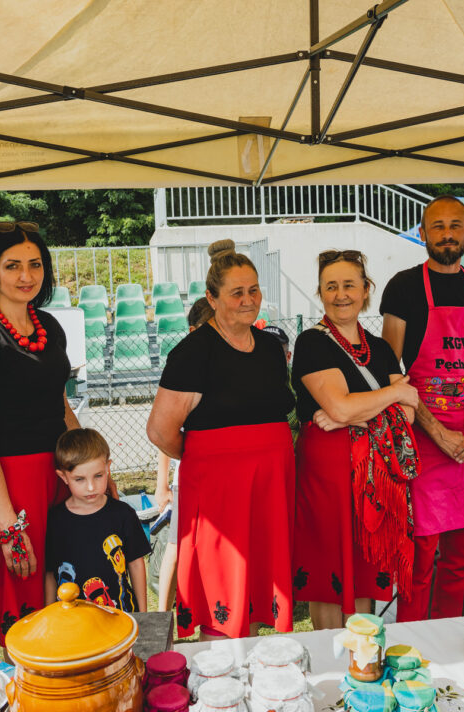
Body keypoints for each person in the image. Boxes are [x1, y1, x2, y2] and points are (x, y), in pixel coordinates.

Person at [147, 239, 296, 639]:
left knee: (259, 585)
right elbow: (159, 430)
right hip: (217, 490)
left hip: (269, 486)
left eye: (254, 290)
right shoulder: (192, 353)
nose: (248, 300)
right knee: (222, 590)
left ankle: (255, 663)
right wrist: (209, 456)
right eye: (236, 293)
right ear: (211, 299)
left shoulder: (270, 347)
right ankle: (219, 672)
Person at [380, 195, 464, 621]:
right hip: (424, 443)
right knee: (418, 564)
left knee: (460, 565)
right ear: (422, 233)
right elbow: (391, 373)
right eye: (437, 226)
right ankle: (409, 646)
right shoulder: (403, 287)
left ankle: (448, 643)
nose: (447, 234)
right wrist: (437, 432)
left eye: (456, 225)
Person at [0, 222, 82, 649]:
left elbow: (61, 406)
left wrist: (90, 465)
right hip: (13, 485)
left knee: (70, 597)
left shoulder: (49, 325)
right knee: (26, 615)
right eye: (13, 266)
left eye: (35, 264)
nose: (26, 276)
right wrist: (9, 526)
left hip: (60, 474)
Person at [291, 249, 420, 629]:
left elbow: (409, 414)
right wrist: (390, 395)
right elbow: (342, 407)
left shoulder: (379, 348)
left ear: (366, 290)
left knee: (366, 566)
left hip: (374, 474)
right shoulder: (312, 343)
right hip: (326, 476)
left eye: (349, 285)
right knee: (327, 571)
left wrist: (354, 417)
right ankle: (329, 654)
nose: (340, 294)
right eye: (330, 286)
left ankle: (362, 653)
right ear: (320, 293)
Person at [154, 297, 214, 613]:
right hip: (187, 478)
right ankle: (162, 617)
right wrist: (162, 484)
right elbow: (164, 433)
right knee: (177, 547)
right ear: (193, 331)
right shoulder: (184, 368)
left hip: (219, 478)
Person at [45, 429, 150, 610]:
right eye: (80, 479)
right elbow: (50, 574)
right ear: (63, 477)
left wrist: (143, 613)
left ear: (108, 467)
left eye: (98, 476)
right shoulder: (55, 521)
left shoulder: (123, 514)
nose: (91, 487)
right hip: (73, 620)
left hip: (119, 616)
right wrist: (48, 616)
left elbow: (136, 564)